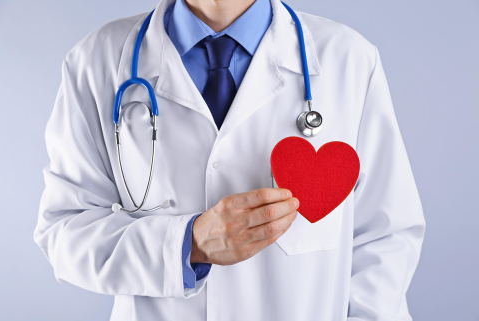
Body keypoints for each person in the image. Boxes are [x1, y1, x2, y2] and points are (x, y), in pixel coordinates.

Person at [34, 0, 426, 319]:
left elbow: (386, 236)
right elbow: (66, 231)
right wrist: (189, 244)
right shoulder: (96, 61)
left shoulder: (350, 59)